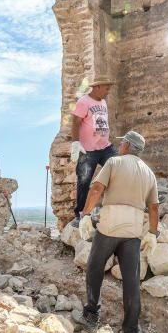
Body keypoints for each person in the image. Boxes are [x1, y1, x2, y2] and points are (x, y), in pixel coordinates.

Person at [77, 130, 159, 333]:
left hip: (109, 227)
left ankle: (91, 315)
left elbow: (96, 188)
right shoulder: (149, 173)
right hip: (132, 232)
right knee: (131, 281)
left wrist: (85, 214)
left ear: (126, 146)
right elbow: (153, 207)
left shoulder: (114, 163)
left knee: (95, 268)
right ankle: (131, 331)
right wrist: (152, 232)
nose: (119, 145)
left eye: (122, 142)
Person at [70, 75, 117, 225]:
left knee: (119, 168)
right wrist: (76, 143)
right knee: (84, 181)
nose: (108, 91)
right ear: (96, 87)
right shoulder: (84, 101)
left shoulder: (103, 102)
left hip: (105, 147)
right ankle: (80, 214)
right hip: (88, 150)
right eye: (106, 88)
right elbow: (75, 122)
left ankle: (117, 206)